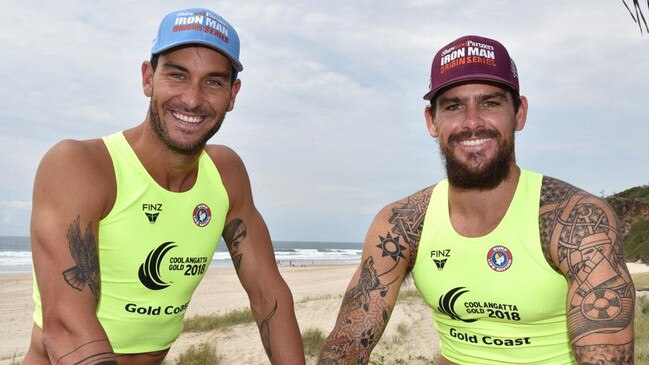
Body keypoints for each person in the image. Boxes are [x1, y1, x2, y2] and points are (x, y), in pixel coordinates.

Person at [318, 35, 635, 364]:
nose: (471, 122)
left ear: (520, 113)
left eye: (490, 103)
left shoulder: (577, 222)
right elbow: (348, 343)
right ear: (432, 120)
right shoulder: (401, 224)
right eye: (454, 106)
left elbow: (606, 357)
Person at [24, 8, 305, 365]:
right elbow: (65, 326)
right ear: (148, 78)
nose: (192, 99)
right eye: (177, 75)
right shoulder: (81, 166)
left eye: (214, 81)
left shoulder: (226, 174)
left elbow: (269, 293)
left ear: (233, 95)